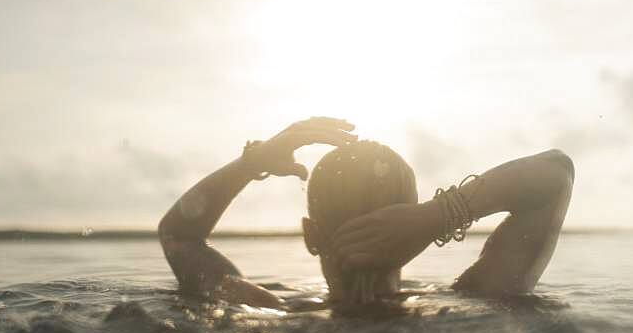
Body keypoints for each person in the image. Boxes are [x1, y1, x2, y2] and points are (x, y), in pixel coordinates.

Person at [158, 116, 574, 309]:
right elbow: (555, 173)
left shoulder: (271, 313)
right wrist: (438, 215)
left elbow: (179, 235)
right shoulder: (475, 300)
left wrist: (253, 164)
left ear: (310, 235)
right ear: (412, 238)